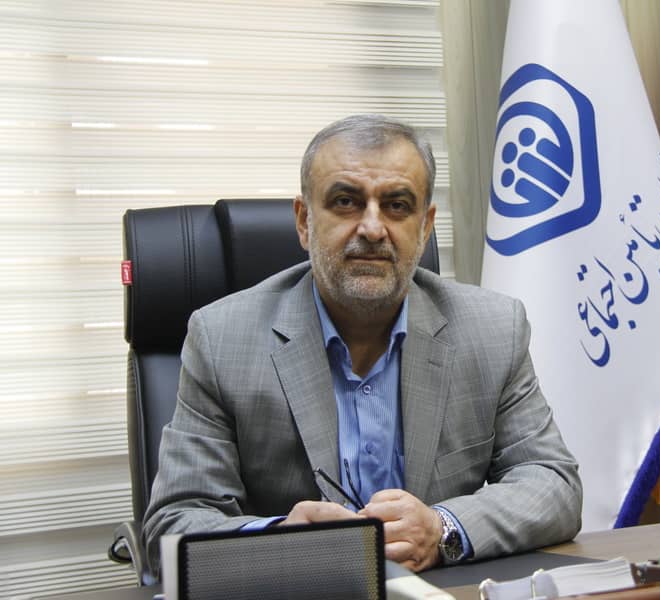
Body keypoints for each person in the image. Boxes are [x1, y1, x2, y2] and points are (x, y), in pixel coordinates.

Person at [142, 114, 583, 576]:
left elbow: (553, 485)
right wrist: (281, 540)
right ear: (304, 222)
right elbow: (173, 525)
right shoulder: (221, 338)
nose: (373, 228)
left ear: (425, 227)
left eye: (397, 205)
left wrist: (442, 529)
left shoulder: (492, 328)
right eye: (346, 202)